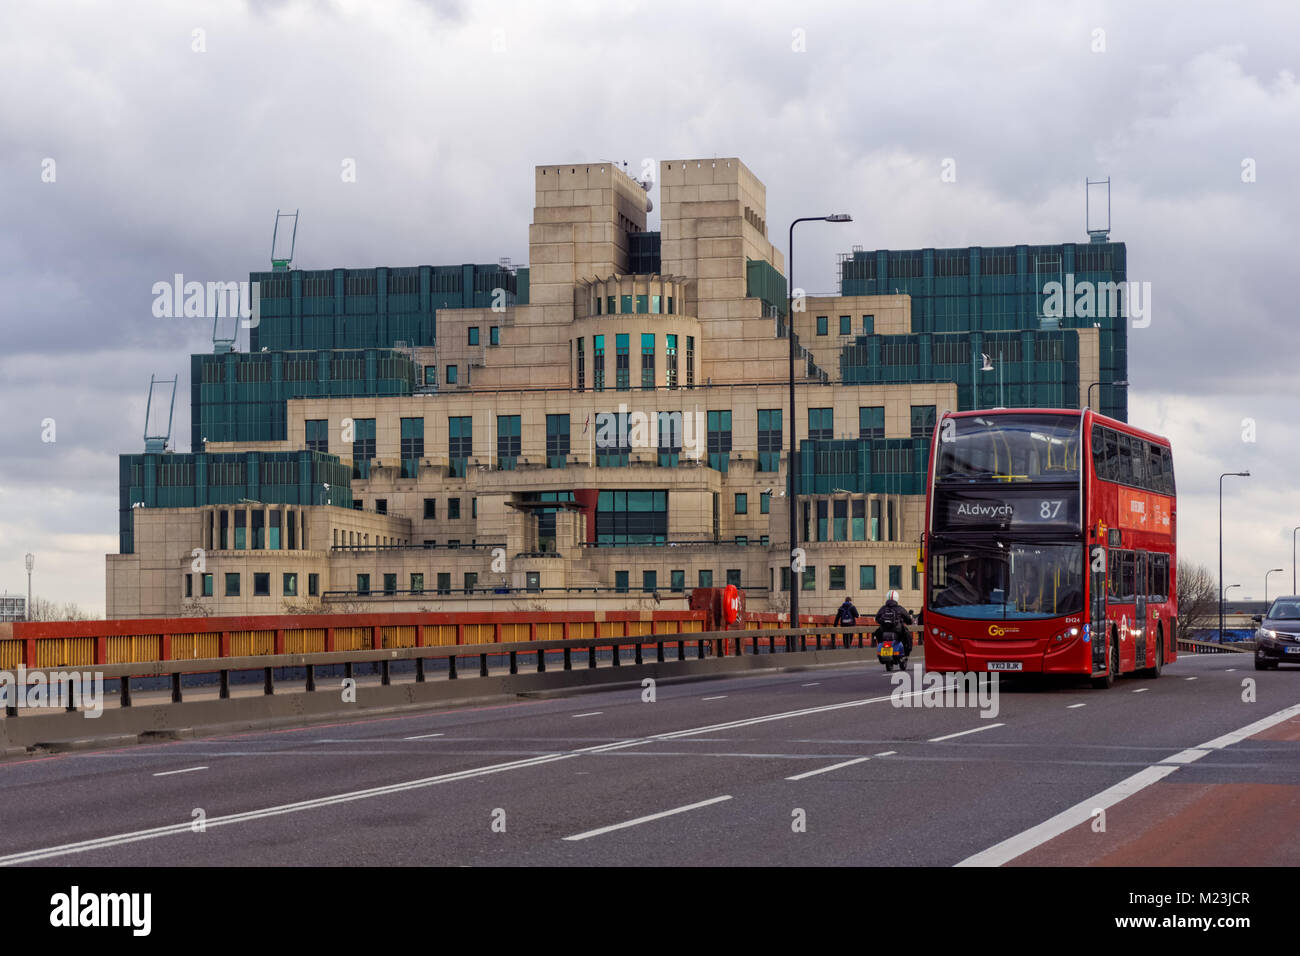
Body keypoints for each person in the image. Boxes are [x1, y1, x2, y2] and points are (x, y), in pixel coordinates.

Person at [874, 590, 916, 656]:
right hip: (897, 630)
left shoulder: (883, 608)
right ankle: (906, 652)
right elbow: (909, 620)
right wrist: (908, 621)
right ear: (897, 598)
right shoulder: (900, 608)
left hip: (883, 630)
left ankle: (881, 648)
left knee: (876, 634)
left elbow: (877, 619)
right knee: (908, 636)